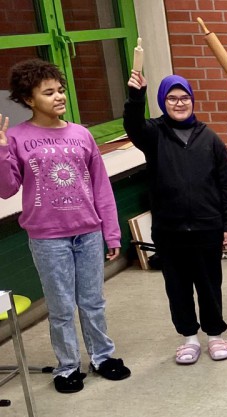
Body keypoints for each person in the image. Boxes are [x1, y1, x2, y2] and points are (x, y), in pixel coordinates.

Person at [0, 59, 130, 393]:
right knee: (60, 307)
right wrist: (1, 152)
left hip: (88, 232)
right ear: (28, 99)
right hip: (48, 238)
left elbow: (101, 187)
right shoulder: (16, 138)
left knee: (93, 301)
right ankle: (67, 366)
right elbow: (6, 189)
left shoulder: (81, 134)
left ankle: (102, 356)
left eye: (60, 90)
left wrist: (111, 231)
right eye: (48, 92)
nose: (59, 96)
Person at [124, 71, 227, 365]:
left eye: (184, 97)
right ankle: (189, 338)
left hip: (207, 226)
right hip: (169, 229)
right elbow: (133, 125)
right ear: (163, 101)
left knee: (209, 284)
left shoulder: (209, 138)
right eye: (172, 98)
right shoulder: (153, 134)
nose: (179, 103)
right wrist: (136, 96)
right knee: (178, 286)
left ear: (192, 100)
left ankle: (215, 335)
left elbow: (226, 183)